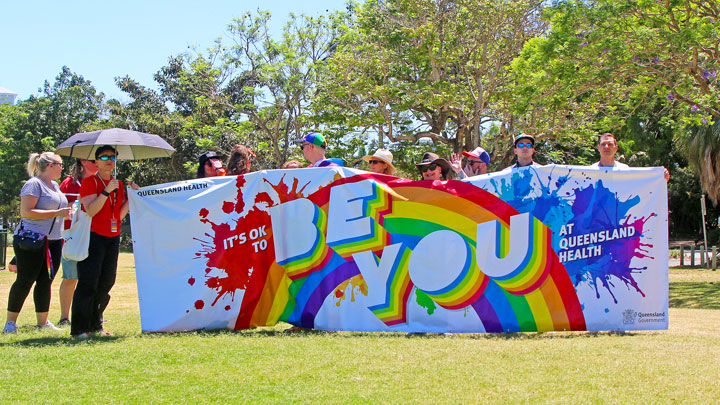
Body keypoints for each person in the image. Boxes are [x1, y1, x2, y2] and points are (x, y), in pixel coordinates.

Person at [71, 146, 139, 339]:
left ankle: (96, 325)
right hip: (94, 236)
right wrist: (106, 192)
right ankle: (79, 329)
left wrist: (132, 197)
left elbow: (118, 215)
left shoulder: (117, 184)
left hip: (112, 236)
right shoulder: (90, 182)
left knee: (107, 282)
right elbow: (91, 210)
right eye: (104, 157)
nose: (109, 160)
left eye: (112, 157)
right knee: (88, 282)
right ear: (96, 162)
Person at [3, 152, 71, 334]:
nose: (62, 168)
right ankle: (10, 323)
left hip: (53, 241)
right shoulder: (33, 184)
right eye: (60, 164)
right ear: (50, 165)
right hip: (31, 240)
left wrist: (65, 213)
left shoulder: (55, 185)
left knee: (45, 281)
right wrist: (57, 213)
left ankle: (43, 322)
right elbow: (26, 212)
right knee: (25, 280)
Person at [57, 159, 98, 326]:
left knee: (92, 278)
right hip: (74, 236)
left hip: (95, 235)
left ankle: (91, 315)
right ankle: (65, 317)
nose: (97, 163)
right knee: (71, 277)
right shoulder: (69, 183)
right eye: (93, 160)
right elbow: (60, 207)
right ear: (82, 161)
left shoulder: (101, 182)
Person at [590, 132, 671, 181]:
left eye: (610, 144)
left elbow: (642, 186)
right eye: (603, 144)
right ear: (598, 147)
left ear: (616, 148)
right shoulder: (590, 171)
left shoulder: (624, 170)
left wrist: (661, 178)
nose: (606, 147)